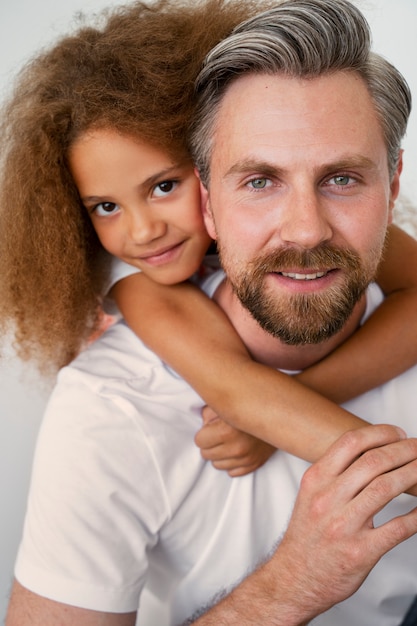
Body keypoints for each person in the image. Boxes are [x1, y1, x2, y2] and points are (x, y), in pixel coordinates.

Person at [3, 0, 417, 624]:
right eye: (259, 179)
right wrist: (292, 584)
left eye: (162, 186)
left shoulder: (363, 248)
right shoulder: (134, 328)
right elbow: (237, 393)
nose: (144, 231)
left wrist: (284, 408)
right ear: (215, 189)